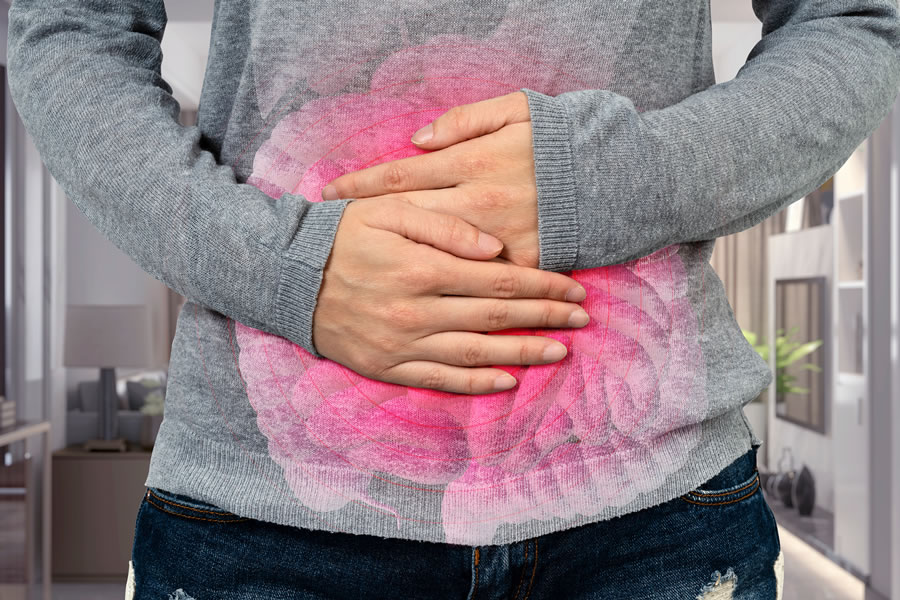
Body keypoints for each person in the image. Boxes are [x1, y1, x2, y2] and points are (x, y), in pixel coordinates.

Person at [7, 0, 899, 598]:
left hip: (653, 519)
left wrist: (603, 182)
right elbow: (68, 28)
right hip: (265, 523)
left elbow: (853, 20)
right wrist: (289, 269)